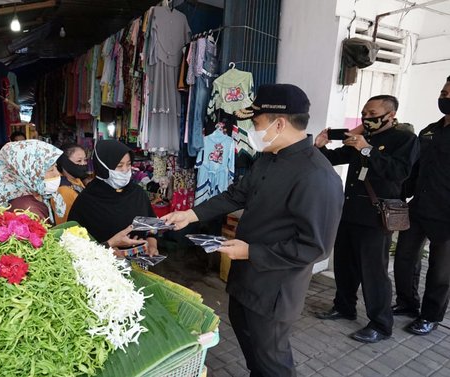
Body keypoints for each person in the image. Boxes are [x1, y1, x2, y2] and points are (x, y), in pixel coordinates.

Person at [162, 84, 344, 377]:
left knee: (272, 361)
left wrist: (251, 251)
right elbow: (237, 194)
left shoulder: (318, 177)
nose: (252, 130)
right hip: (244, 278)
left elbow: (315, 247)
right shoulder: (269, 156)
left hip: (273, 291)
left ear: (279, 123)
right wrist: (191, 214)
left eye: (256, 123)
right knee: (254, 354)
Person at [314, 95, 419, 343]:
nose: (366, 118)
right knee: (344, 264)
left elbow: (399, 173)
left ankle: (381, 325)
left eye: (372, 113)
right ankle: (344, 307)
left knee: (374, 272)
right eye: (364, 113)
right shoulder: (363, 137)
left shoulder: (405, 139)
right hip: (350, 211)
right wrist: (320, 146)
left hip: (376, 217)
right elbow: (332, 159)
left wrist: (367, 149)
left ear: (390, 115)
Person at [393, 75, 450, 335]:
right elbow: (414, 169)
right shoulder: (429, 131)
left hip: (446, 216)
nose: (443, 97)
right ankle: (407, 303)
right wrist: (402, 195)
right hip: (419, 208)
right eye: (443, 91)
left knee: (440, 272)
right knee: (404, 258)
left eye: (448, 94)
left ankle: (430, 316)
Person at [68, 140, 159, 255]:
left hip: (140, 263)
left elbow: (152, 225)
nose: (125, 170)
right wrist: (109, 246)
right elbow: (74, 243)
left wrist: (152, 244)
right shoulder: (86, 201)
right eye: (119, 165)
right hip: (105, 267)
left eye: (129, 164)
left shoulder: (137, 193)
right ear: (103, 167)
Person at [0, 140, 65, 223]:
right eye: (51, 170)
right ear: (28, 173)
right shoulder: (27, 210)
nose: (57, 174)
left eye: (56, 167)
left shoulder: (36, 195)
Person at [53, 144, 88, 225]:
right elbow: (65, 223)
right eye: (79, 161)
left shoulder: (76, 180)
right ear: (65, 162)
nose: (83, 164)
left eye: (85, 160)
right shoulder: (63, 190)